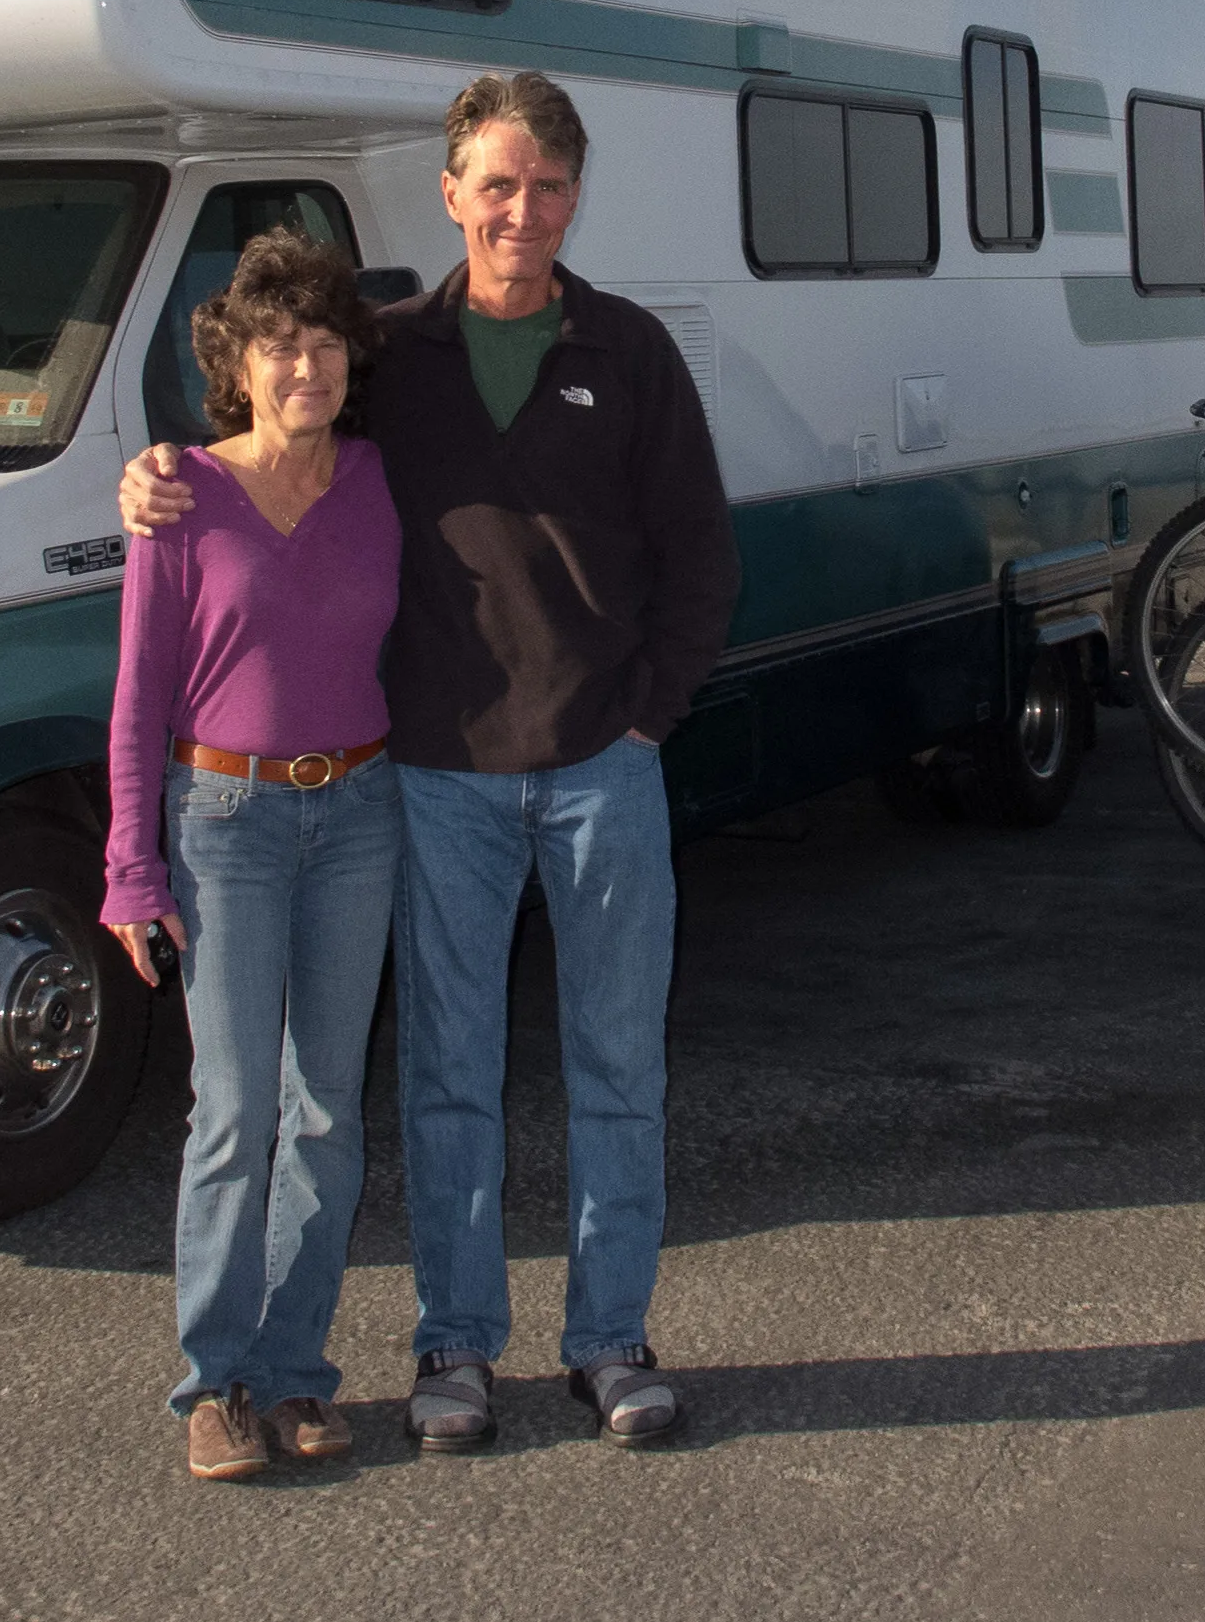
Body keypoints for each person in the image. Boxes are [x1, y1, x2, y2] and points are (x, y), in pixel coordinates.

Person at [124, 71, 740, 1451]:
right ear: (453, 192)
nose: (524, 210)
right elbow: (256, 434)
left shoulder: (630, 353)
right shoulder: (387, 357)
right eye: (498, 184)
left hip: (602, 771)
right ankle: (454, 1351)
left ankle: (610, 1342)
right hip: (440, 779)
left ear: (576, 197)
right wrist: (153, 474)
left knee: (616, 1065)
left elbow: (701, 552)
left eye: (550, 186)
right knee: (448, 1073)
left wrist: (649, 712)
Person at [101, 229, 403, 1483]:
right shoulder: (178, 493)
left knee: (327, 1110)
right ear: (239, 363)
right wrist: (132, 864)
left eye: (327, 342)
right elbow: (137, 694)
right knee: (232, 1109)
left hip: (361, 813)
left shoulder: (384, 477)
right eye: (281, 345)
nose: (307, 366)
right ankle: (212, 1384)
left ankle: (294, 1372)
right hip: (223, 822)